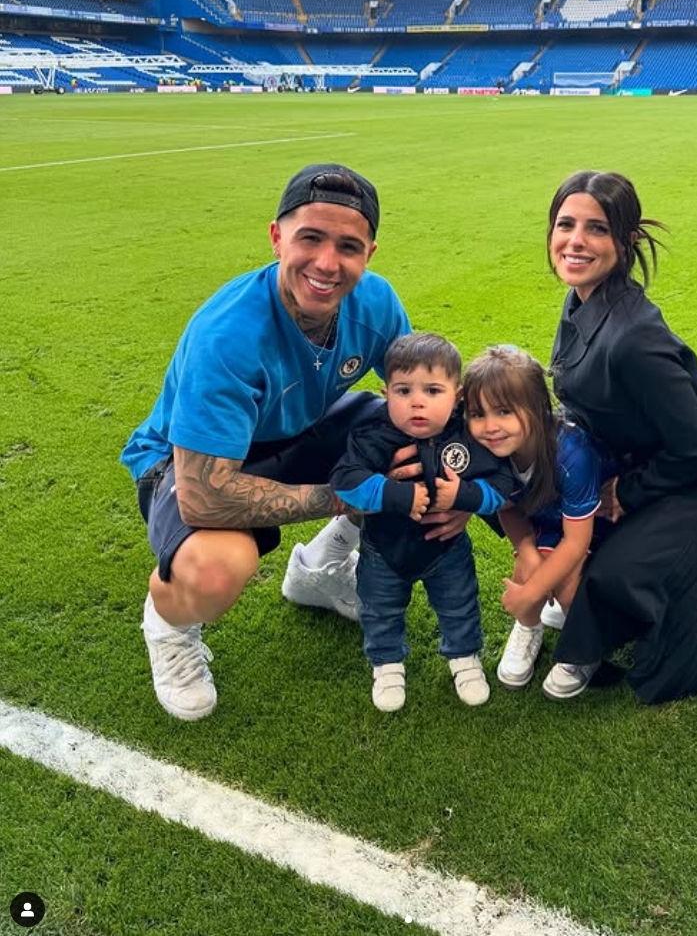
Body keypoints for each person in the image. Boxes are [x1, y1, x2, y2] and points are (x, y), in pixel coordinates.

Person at [122, 164, 444, 721]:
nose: (327, 263)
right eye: (310, 238)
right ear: (277, 237)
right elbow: (204, 497)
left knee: (412, 446)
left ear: (369, 253)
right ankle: (169, 625)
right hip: (188, 462)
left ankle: (318, 569)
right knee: (216, 566)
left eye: (348, 246)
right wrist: (355, 493)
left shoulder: (376, 302)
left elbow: (421, 399)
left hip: (297, 431)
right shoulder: (228, 334)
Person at [540, 170, 697, 702]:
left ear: (625, 242)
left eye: (597, 229)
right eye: (565, 224)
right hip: (659, 443)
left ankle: (588, 640)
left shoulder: (635, 338)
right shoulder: (582, 295)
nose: (575, 241)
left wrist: (626, 492)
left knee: (614, 570)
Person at [330, 333, 520, 711]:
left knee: (459, 605)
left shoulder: (467, 436)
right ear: (385, 393)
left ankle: (464, 659)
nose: (417, 402)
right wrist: (398, 495)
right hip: (384, 550)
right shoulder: (374, 435)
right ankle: (386, 665)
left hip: (447, 547)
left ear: (457, 396)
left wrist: (465, 496)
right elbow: (345, 480)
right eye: (403, 391)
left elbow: (504, 484)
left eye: (433, 390)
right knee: (380, 609)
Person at [457, 345, 602, 690]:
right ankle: (528, 627)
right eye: (477, 414)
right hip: (546, 526)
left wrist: (531, 591)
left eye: (504, 411)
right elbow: (508, 509)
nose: (490, 427)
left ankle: (585, 646)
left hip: (595, 529)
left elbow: (577, 542)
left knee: (566, 586)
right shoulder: (488, 453)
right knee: (526, 570)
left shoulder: (572, 453)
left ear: (538, 407)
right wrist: (528, 552)